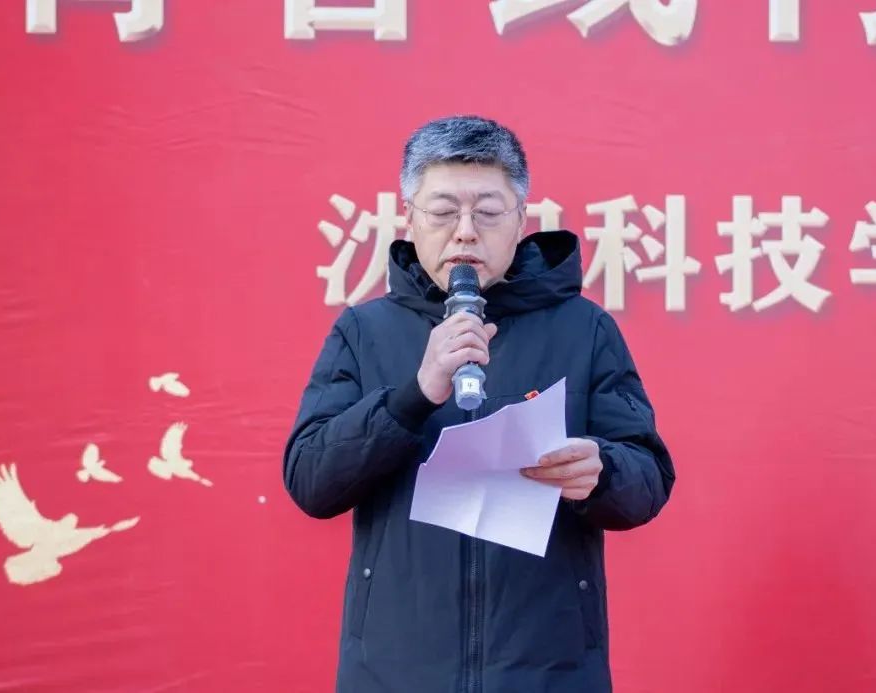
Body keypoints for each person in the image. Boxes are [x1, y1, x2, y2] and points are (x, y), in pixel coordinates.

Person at [283, 115, 675, 693]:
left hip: (548, 670)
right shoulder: (364, 332)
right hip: (396, 671)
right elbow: (311, 481)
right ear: (410, 217)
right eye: (443, 211)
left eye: (488, 212)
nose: (464, 233)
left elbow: (648, 480)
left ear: (520, 219)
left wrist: (604, 472)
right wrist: (413, 396)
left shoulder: (584, 329)